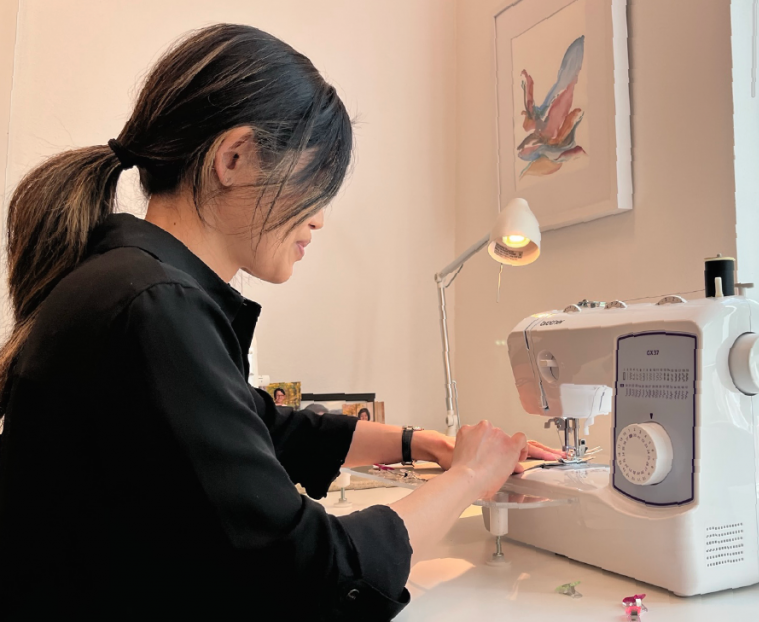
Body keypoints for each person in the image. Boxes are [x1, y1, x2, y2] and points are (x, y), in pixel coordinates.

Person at [0, 24, 561, 620]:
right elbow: (310, 576)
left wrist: (421, 444)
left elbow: (263, 425)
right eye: (316, 183)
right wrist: (471, 476)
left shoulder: (128, 284)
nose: (318, 221)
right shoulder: (154, 305)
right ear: (235, 157)